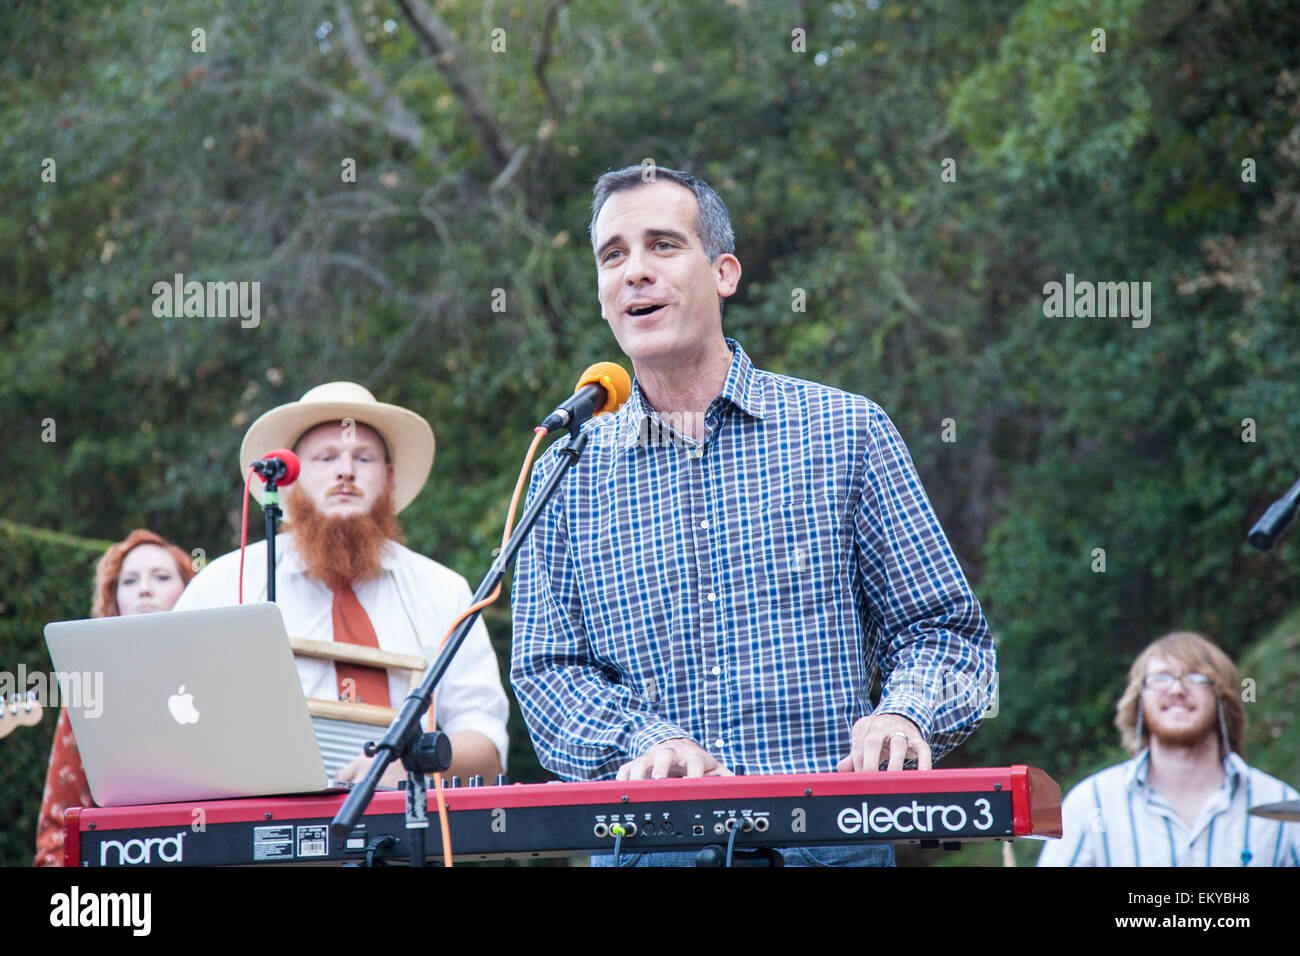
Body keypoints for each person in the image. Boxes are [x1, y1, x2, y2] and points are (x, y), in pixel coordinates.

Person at [510, 165, 997, 866]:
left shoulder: (844, 431)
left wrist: (903, 712)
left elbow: (947, 636)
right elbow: (548, 672)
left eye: (663, 245)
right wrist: (642, 744)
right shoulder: (566, 466)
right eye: (613, 255)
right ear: (600, 295)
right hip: (652, 849)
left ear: (724, 273)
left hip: (831, 844)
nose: (635, 272)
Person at [172, 382, 508, 786]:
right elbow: (173, 718)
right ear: (290, 479)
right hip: (257, 826)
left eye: (362, 458)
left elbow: (487, 747)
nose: (345, 470)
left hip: (411, 831)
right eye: (326, 457)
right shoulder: (225, 586)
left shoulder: (442, 591)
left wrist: (405, 767)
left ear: (388, 479)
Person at [1038, 630, 1299, 866]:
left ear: (1223, 698)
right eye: (1160, 678)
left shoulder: (1279, 804)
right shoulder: (1090, 804)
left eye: (1196, 678)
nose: (1176, 689)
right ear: (1139, 700)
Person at [34, 529, 196, 866]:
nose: (145, 589)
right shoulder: (89, 687)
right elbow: (58, 823)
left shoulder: (215, 677)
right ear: (114, 600)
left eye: (162, 577)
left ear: (191, 590)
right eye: (130, 581)